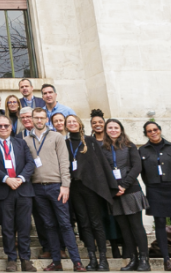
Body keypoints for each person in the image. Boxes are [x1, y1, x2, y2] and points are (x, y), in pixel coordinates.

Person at [25, 108, 82, 271]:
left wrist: (65, 185)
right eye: (36, 118)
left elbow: (65, 162)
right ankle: (56, 261)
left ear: (46, 119)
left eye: (42, 117)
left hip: (56, 186)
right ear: (32, 119)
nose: (39, 120)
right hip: (37, 188)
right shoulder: (26, 140)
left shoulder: (56, 137)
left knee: (64, 224)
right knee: (48, 225)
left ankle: (76, 261)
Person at [0, 114, 36, 273]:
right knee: (7, 227)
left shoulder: (21, 143)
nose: (3, 128)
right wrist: (6, 179)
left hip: (23, 190)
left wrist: (19, 178)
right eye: (0, 126)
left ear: (11, 127)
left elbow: (30, 163)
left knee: (24, 226)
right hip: (2, 190)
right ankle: (11, 259)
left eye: (6, 125)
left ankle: (26, 259)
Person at [64, 114, 114, 272]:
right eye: (69, 122)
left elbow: (101, 164)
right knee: (84, 223)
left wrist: (111, 185)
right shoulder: (64, 143)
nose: (72, 124)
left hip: (91, 187)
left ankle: (103, 259)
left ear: (79, 124)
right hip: (74, 188)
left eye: (74, 121)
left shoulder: (89, 141)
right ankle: (92, 258)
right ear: (66, 126)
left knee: (96, 222)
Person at [140, 122, 171, 272]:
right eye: (149, 131)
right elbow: (143, 173)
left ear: (160, 130)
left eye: (155, 129)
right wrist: (153, 183)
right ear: (146, 134)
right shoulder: (142, 150)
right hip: (154, 189)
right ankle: (166, 261)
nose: (153, 132)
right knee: (160, 222)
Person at [101, 119, 150, 272]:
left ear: (121, 129)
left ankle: (144, 260)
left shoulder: (130, 146)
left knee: (136, 226)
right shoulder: (102, 148)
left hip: (131, 190)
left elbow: (137, 167)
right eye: (110, 127)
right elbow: (103, 170)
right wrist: (113, 188)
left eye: (116, 127)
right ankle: (133, 259)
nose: (113, 130)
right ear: (106, 130)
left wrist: (124, 185)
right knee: (124, 229)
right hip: (114, 194)